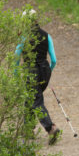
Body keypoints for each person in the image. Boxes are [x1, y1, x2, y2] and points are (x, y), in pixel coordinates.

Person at [15, 9, 60, 145]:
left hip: (31, 71)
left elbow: (16, 57)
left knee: (36, 100)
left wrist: (15, 75)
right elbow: (54, 60)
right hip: (44, 70)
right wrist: (49, 72)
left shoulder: (23, 36)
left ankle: (50, 127)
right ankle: (28, 129)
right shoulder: (47, 36)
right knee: (31, 97)